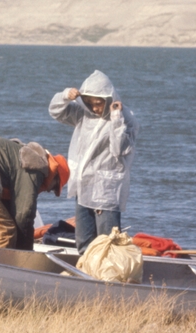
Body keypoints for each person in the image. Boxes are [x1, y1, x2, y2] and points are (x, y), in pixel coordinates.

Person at [49, 70, 138, 254]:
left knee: (108, 241)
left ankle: (110, 276)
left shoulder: (125, 117)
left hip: (106, 189)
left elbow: (119, 148)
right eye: (90, 103)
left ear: (108, 98)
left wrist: (115, 119)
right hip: (84, 185)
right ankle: (87, 272)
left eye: (98, 103)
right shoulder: (84, 114)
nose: (95, 108)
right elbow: (56, 112)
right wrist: (65, 96)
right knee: (84, 240)